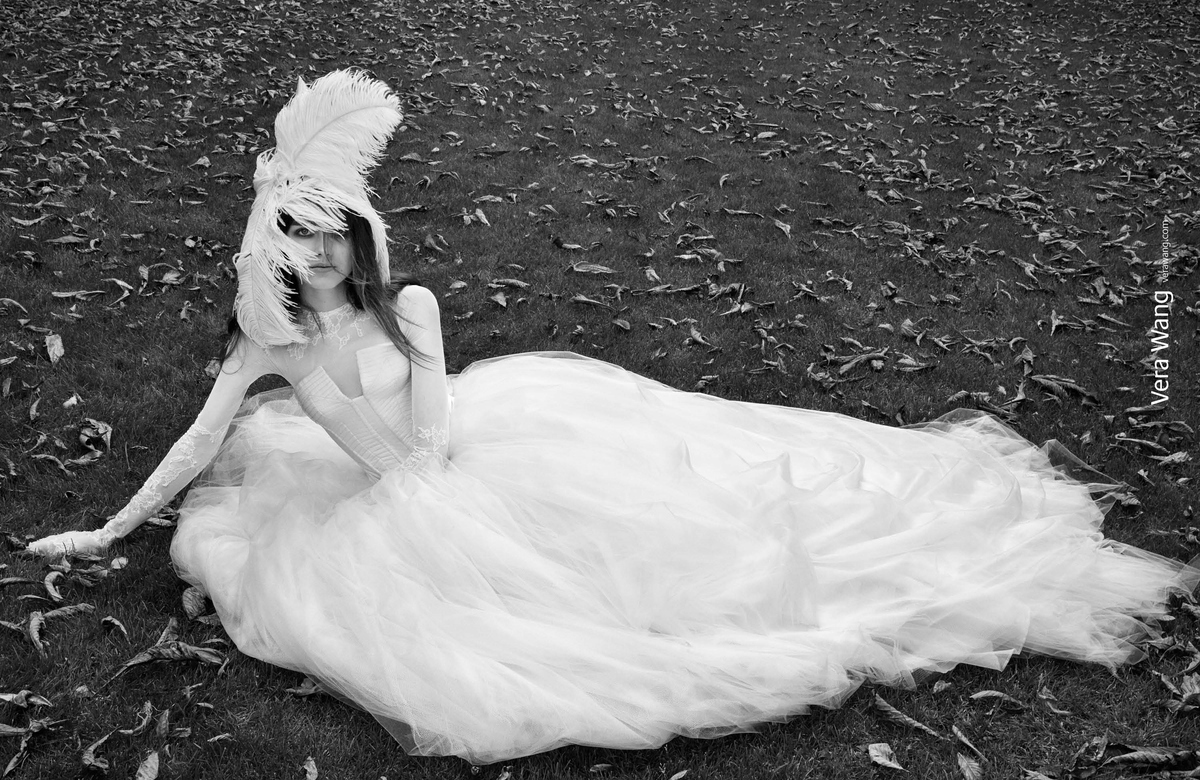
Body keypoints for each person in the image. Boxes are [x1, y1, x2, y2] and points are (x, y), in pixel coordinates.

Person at [28, 70, 1196, 764]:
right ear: (277, 249)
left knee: (671, 534)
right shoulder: (272, 347)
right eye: (301, 236)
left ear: (360, 234)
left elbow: (428, 436)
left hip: (457, 456)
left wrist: (387, 423)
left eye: (336, 231)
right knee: (506, 622)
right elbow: (203, 438)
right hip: (368, 493)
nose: (323, 252)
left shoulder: (411, 307)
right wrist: (112, 527)